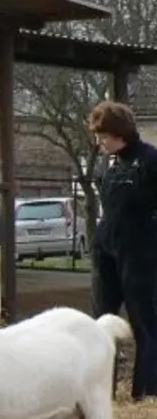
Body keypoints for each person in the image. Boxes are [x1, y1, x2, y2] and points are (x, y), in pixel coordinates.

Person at [89, 100, 157, 401]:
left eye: (104, 135)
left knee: (144, 321)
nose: (99, 141)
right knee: (99, 323)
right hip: (106, 250)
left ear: (121, 133)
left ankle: (145, 393)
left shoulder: (150, 159)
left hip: (140, 252)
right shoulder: (107, 163)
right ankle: (97, 394)